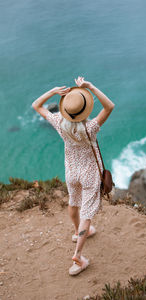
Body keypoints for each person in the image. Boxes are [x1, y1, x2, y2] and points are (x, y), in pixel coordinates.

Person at [32, 76, 115, 275]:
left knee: (73, 203)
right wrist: (91, 86)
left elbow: (37, 105)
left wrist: (52, 91)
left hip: (71, 173)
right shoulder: (90, 128)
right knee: (87, 214)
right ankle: (78, 256)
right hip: (89, 175)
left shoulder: (60, 123)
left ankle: (77, 231)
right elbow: (109, 106)